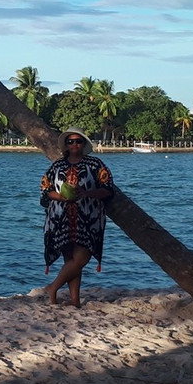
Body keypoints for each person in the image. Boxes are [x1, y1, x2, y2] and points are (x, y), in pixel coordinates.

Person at [40, 128, 115, 307]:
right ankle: (75, 301)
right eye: (70, 142)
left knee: (81, 259)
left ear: (84, 144)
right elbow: (45, 188)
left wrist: (87, 193)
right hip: (60, 218)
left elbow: (108, 189)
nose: (74, 145)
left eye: (78, 141)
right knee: (71, 261)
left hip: (88, 217)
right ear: (66, 145)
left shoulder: (95, 164)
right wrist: (60, 196)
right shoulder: (57, 166)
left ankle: (53, 287)